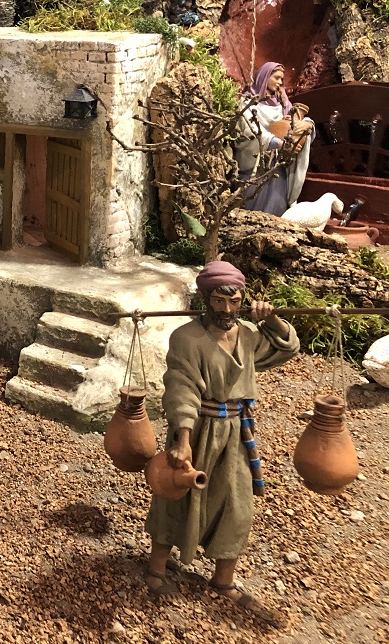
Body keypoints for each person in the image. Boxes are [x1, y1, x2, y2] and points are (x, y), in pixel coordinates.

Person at [145, 260, 299, 626]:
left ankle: (224, 579)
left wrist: (272, 320)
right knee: (177, 497)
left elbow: (287, 347)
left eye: (234, 301)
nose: (227, 309)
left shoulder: (249, 335)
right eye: (218, 300)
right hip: (197, 430)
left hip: (234, 434)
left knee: (237, 504)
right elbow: (181, 387)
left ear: (243, 300)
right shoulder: (186, 339)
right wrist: (183, 440)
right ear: (205, 299)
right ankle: (156, 568)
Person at [235, 62, 313, 217]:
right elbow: (250, 130)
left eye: (281, 79)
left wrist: (307, 124)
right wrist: (278, 143)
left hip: (276, 167)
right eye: (276, 78)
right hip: (254, 165)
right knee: (253, 206)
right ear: (265, 77)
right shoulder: (247, 103)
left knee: (276, 206)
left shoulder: (283, 104)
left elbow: (295, 121)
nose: (279, 82)